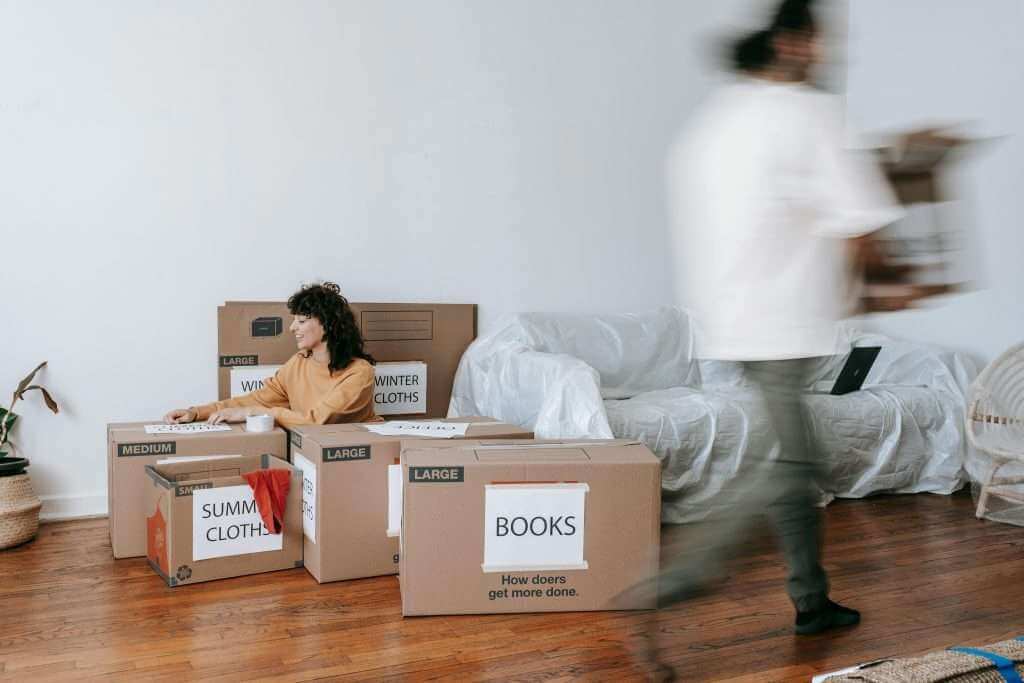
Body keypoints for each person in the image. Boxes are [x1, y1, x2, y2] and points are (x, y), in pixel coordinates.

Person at [630, 0, 905, 673]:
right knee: (796, 466)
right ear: (791, 43)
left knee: (791, 466)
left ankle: (812, 601)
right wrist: (893, 280)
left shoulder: (710, 125)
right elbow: (864, 222)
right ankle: (668, 585)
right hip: (784, 323)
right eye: (817, 39)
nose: (824, 51)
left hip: (735, 323)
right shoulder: (808, 113)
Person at [164, 282, 381, 429]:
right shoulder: (299, 363)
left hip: (361, 461)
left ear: (328, 325)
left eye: (302, 321)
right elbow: (256, 399)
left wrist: (254, 412)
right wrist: (196, 412)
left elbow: (317, 422)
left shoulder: (360, 373)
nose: (292, 327)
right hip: (311, 456)